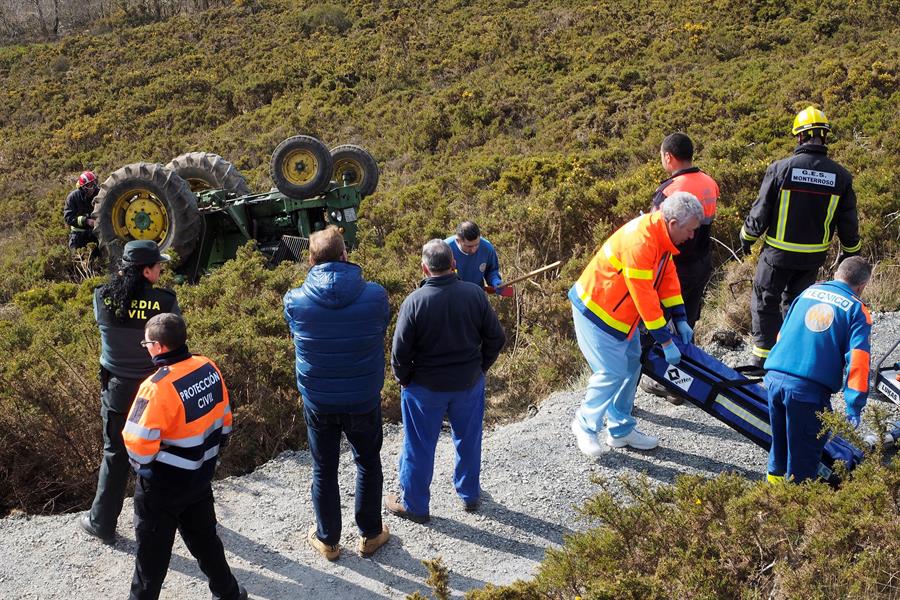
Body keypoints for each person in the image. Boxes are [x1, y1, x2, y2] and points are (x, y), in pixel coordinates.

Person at [283, 226, 391, 561]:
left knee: (324, 467)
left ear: (311, 260)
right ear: (345, 255)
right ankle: (371, 535)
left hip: (319, 401)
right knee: (368, 463)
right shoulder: (375, 295)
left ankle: (328, 541)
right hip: (363, 397)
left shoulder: (295, 300)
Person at [568, 192, 703, 457]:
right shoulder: (640, 241)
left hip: (621, 317)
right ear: (674, 222)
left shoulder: (662, 237)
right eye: (690, 230)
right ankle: (584, 425)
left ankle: (620, 430)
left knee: (631, 368)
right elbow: (644, 295)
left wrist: (680, 318)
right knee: (611, 371)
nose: (691, 236)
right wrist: (664, 340)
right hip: (596, 312)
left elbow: (667, 278)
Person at [123, 313, 246, 600]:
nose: (147, 347)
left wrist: (148, 469)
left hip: (162, 488)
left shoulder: (155, 388)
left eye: (147, 343)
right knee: (206, 541)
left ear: (160, 347)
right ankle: (228, 593)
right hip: (199, 477)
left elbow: (137, 443)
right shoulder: (208, 366)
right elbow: (225, 421)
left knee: (150, 563)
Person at [386, 239, 506, 522]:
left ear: (424, 268)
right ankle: (469, 495)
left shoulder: (414, 302)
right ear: (453, 264)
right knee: (469, 438)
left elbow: (399, 352)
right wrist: (480, 367)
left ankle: (415, 505)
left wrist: (404, 380)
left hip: (425, 389)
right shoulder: (475, 295)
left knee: (419, 445)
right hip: (468, 384)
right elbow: (496, 338)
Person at [740, 106, 861, 371]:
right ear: (824, 137)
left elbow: (761, 211)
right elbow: (848, 222)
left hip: (776, 256)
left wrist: (746, 236)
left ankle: (761, 359)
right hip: (812, 258)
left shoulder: (781, 169)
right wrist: (851, 251)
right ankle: (790, 354)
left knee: (764, 302)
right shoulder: (841, 176)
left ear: (799, 137)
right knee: (795, 304)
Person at [78, 240, 180, 544]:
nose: (161, 268)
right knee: (160, 454)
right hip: (155, 392)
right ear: (147, 270)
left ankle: (102, 522)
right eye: (158, 265)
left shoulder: (101, 296)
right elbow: (175, 338)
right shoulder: (165, 301)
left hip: (117, 390)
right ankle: (168, 515)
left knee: (115, 454)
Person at [764, 257, 872, 484]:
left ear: (837, 273)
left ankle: (770, 501)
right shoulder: (856, 309)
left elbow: (781, 335)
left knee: (780, 448)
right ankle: (796, 510)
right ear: (862, 286)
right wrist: (854, 406)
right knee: (804, 457)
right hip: (806, 390)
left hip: (773, 378)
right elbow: (859, 362)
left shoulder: (807, 293)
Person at [642, 133, 720, 404]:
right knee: (689, 320)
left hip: (674, 269)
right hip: (701, 263)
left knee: (666, 324)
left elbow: (654, 230)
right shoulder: (710, 183)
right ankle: (688, 378)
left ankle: (671, 383)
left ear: (668, 157)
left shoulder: (670, 190)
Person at [445, 221, 508, 294]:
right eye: (469, 246)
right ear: (458, 241)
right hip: (451, 296)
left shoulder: (487, 248)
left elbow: (491, 271)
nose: (474, 250)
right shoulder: (445, 249)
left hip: (476, 295)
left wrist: (495, 281)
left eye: (477, 245)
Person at [63, 170, 100, 249]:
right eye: (90, 185)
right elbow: (68, 218)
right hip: (78, 235)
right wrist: (86, 221)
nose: (93, 188)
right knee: (78, 258)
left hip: (95, 234)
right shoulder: (73, 197)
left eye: (94, 184)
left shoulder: (99, 193)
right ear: (83, 187)